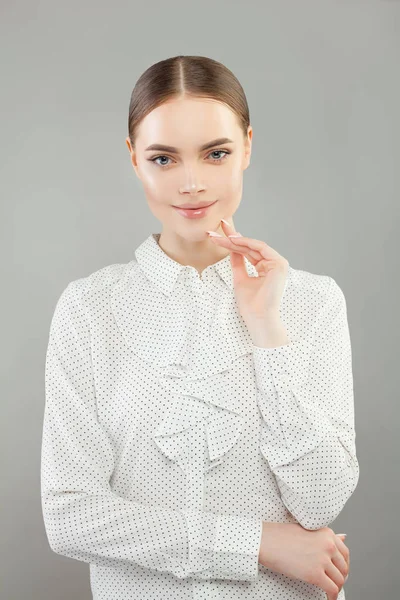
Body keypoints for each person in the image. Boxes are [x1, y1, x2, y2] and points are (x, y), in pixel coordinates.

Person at [40, 55, 359, 600]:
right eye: (164, 158)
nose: (191, 183)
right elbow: (70, 513)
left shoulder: (312, 302)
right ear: (134, 159)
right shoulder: (89, 310)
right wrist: (256, 543)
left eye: (216, 154)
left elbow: (322, 499)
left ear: (248, 147)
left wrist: (265, 326)